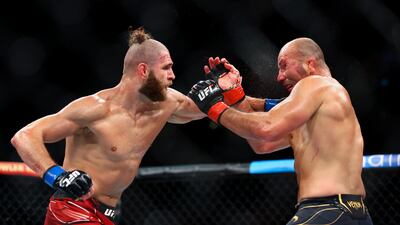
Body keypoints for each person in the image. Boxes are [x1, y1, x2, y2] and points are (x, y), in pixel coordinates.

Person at [10, 27, 240, 225]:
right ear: (143, 71)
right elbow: (25, 136)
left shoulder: (167, 103)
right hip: (73, 209)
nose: (173, 75)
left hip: (111, 213)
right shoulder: (95, 109)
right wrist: (58, 176)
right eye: (166, 68)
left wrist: (224, 89)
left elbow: (203, 109)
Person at [188, 37, 373, 224]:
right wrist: (235, 95)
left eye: (284, 65)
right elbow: (262, 144)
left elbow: (266, 127)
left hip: (326, 210)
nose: (279, 76)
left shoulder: (316, 83)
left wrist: (213, 106)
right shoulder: (323, 106)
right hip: (353, 213)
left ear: (310, 63)